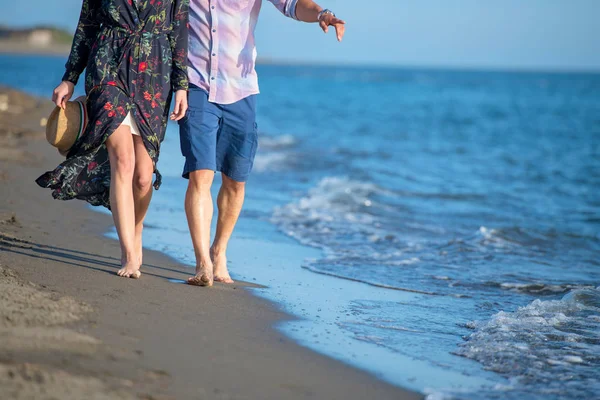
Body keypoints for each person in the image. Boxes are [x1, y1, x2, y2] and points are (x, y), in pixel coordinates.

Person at [180, 0, 345, 287]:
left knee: (235, 181)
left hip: (241, 89)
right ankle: (202, 263)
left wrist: (322, 13)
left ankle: (218, 250)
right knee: (200, 174)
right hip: (196, 86)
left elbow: (293, 5)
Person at [36, 0, 190, 279]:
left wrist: (181, 86)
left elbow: (179, 30)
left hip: (154, 72)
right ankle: (128, 253)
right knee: (123, 159)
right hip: (107, 66)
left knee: (144, 176)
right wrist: (69, 77)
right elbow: (87, 24)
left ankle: (136, 227)